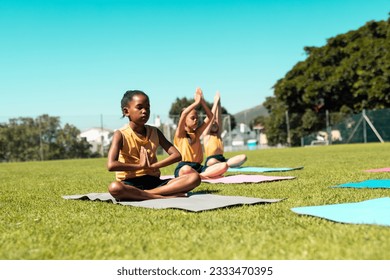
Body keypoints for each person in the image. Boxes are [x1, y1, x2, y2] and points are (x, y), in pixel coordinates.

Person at [107, 90, 201, 201]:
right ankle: (160, 195)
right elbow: (111, 165)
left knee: (194, 178)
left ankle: (147, 194)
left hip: (154, 182)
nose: (144, 111)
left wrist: (153, 166)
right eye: (140, 107)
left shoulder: (155, 132)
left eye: (147, 107)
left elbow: (177, 155)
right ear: (126, 111)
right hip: (130, 183)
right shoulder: (120, 134)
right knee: (115, 188)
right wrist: (140, 166)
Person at [173, 88, 228, 179]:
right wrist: (196, 103)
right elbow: (183, 114)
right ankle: (203, 176)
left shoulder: (197, 133)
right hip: (184, 167)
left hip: (199, 167)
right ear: (184, 120)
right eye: (192, 118)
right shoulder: (180, 135)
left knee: (224, 166)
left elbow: (210, 116)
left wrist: (202, 101)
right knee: (186, 169)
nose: (196, 120)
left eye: (197, 118)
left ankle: (199, 176)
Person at [203, 91, 247, 168]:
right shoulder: (206, 135)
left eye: (215, 123)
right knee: (212, 161)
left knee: (243, 157)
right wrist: (215, 102)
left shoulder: (218, 134)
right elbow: (211, 117)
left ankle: (224, 165)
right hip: (211, 161)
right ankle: (224, 166)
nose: (214, 123)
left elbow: (218, 117)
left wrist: (219, 103)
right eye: (212, 123)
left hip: (222, 160)